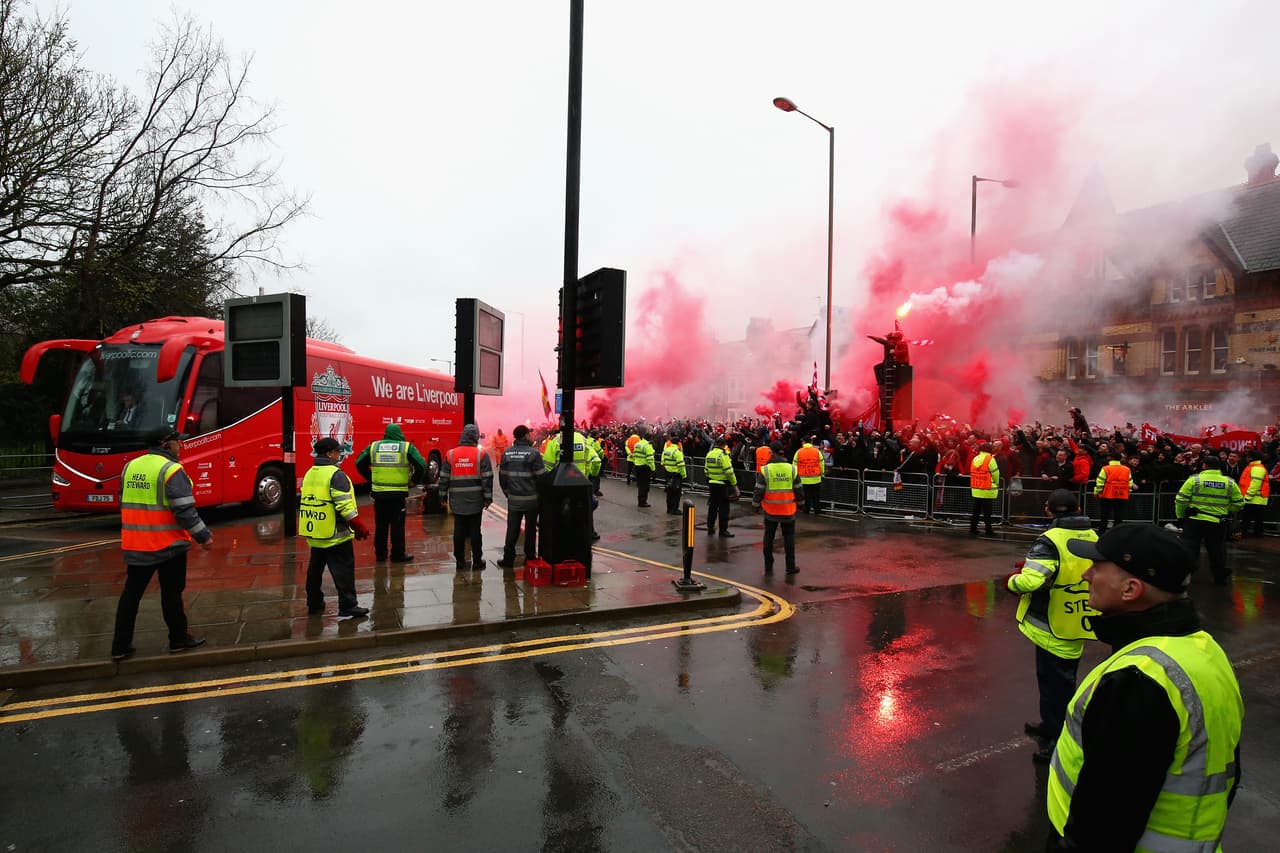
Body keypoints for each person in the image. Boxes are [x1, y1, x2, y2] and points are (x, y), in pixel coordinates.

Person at [1047, 524, 1244, 852]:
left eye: (1097, 567)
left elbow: (1104, 824)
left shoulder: (1138, 681)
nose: (1086, 575)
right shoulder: (1204, 649)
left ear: (1130, 589)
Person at [1003, 489, 1098, 763]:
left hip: (1052, 624)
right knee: (1059, 682)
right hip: (1079, 617)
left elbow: (1032, 581)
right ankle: (1050, 725)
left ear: (1048, 510)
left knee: (1056, 686)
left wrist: (1012, 581)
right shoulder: (1092, 536)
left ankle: (1057, 739)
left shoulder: (1050, 540)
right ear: (1078, 508)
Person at [111, 431, 215, 660]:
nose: (181, 445)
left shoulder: (130, 468)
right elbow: (184, 510)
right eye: (178, 442)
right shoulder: (170, 470)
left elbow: (123, 500)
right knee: (171, 593)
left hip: (135, 543)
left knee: (131, 595)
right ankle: (178, 639)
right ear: (166, 445)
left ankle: (120, 646)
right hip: (168, 544)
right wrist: (204, 537)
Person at [299, 437, 371, 618]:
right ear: (329, 453)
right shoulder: (336, 475)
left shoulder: (310, 473)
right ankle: (348, 605)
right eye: (338, 451)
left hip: (316, 532)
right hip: (335, 534)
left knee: (314, 571)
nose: (340, 454)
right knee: (344, 572)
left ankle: (314, 603)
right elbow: (344, 506)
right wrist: (359, 526)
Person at [354, 423, 427, 563]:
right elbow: (421, 465)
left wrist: (371, 479)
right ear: (399, 434)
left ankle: (380, 555)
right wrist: (413, 481)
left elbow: (359, 463)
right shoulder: (406, 447)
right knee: (397, 525)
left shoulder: (374, 446)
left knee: (381, 525)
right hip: (397, 494)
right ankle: (397, 554)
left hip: (379, 494)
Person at [1175, 456, 1245, 586]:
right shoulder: (1229, 482)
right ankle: (1219, 578)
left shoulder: (1194, 480)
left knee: (1190, 548)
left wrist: (1180, 516)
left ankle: (1184, 577)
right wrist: (1224, 510)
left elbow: (1181, 500)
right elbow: (1239, 504)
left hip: (1194, 521)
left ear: (1204, 466)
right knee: (1217, 550)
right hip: (1218, 522)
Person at [440, 423, 494, 570]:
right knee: (475, 531)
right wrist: (487, 498)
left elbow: (444, 477)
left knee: (459, 531)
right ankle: (477, 561)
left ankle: (460, 561)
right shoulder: (481, 455)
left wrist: (442, 495)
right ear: (476, 437)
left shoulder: (451, 454)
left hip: (457, 499)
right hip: (475, 499)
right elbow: (487, 478)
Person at [752, 443, 803, 575]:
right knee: (789, 539)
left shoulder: (766, 470)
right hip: (788, 509)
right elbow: (798, 488)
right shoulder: (792, 469)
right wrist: (801, 503)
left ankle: (768, 566)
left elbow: (759, 489)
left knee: (768, 538)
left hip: (770, 510)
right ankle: (790, 567)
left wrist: (755, 505)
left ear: (772, 453)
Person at [497, 425, 542, 568]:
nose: (531, 436)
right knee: (530, 530)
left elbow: (502, 478)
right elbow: (541, 477)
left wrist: (508, 494)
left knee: (512, 529)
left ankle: (508, 559)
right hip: (531, 500)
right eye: (529, 433)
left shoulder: (507, 453)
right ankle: (529, 557)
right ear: (525, 436)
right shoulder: (534, 454)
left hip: (514, 500)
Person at [704, 435, 738, 538]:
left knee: (712, 507)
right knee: (724, 508)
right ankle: (723, 530)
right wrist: (734, 483)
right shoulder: (723, 455)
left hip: (712, 484)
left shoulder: (709, 454)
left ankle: (710, 528)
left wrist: (711, 479)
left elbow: (706, 470)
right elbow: (729, 471)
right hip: (722, 485)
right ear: (724, 445)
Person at [1093, 450, 1131, 533]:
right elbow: (1130, 483)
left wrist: (1097, 492)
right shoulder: (1126, 469)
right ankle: (1117, 533)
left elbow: (1100, 482)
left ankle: (1102, 533)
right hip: (1122, 495)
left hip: (1107, 495)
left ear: (1110, 458)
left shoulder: (1106, 468)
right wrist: (1128, 493)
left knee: (1104, 516)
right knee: (1119, 516)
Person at [969, 441, 1000, 536]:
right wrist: (996, 483)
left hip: (976, 489)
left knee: (976, 512)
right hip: (987, 489)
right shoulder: (990, 459)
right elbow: (995, 473)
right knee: (987, 513)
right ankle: (988, 531)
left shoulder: (975, 458)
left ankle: (973, 529)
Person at [1239, 450, 1270, 538]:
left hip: (1254, 499)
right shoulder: (1254, 467)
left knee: (1249, 519)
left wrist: (1247, 496)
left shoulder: (1256, 468)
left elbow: (1255, 484)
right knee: (1255, 519)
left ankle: (1251, 535)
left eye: (1247, 456)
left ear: (1251, 458)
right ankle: (1255, 535)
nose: (1246, 458)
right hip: (1255, 499)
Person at [793, 435, 826, 515]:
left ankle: (806, 510)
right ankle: (817, 510)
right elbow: (822, 463)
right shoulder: (817, 451)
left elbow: (794, 465)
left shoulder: (799, 452)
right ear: (811, 442)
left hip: (803, 479)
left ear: (804, 442)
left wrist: (795, 477)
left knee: (806, 496)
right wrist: (822, 475)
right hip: (816, 478)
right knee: (816, 496)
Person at [661, 433, 686, 515]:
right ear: (678, 443)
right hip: (676, 474)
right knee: (676, 493)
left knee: (669, 492)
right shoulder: (677, 452)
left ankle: (669, 508)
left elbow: (663, 461)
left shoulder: (666, 450)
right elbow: (681, 465)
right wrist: (684, 475)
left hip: (668, 473)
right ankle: (675, 509)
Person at [631, 430, 656, 507]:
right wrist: (653, 469)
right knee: (644, 486)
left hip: (637, 465)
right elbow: (650, 459)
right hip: (645, 467)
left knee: (640, 485)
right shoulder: (647, 446)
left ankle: (640, 500)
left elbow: (634, 455)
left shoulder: (637, 444)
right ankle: (643, 502)